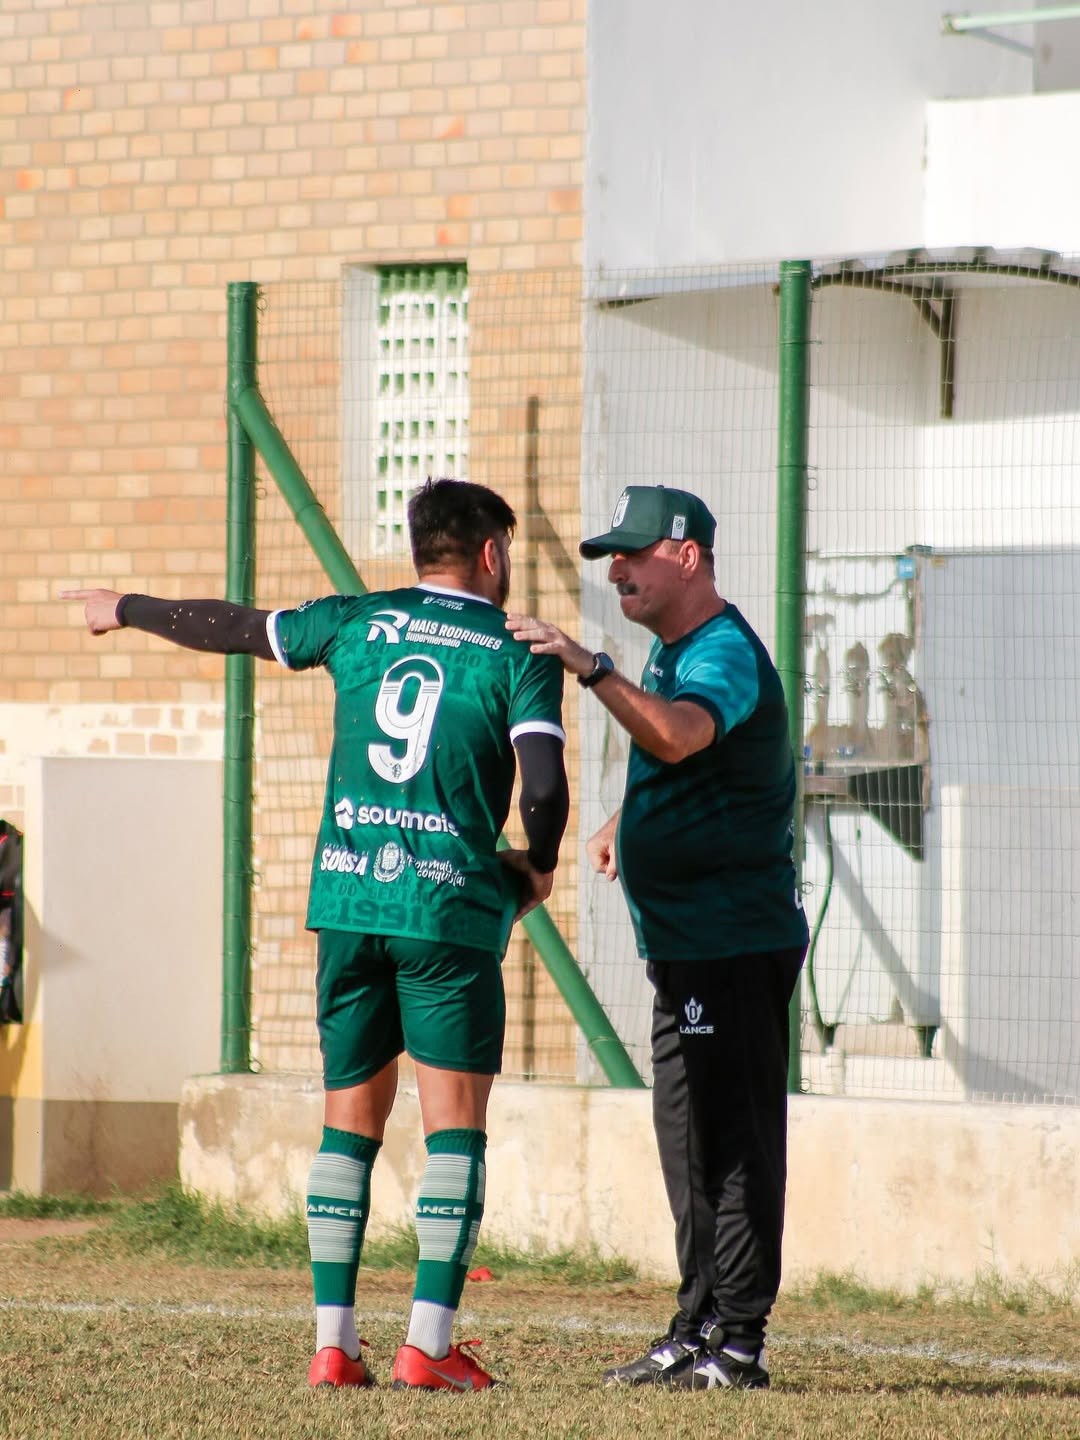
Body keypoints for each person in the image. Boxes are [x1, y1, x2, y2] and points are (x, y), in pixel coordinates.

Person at [65, 477, 569, 1393]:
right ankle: (428, 1346)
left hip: (345, 908)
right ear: (492, 554)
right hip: (445, 911)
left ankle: (334, 1345)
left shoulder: (355, 620)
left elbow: (234, 626)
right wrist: (536, 864)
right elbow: (541, 789)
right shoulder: (514, 647)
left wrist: (123, 607)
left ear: (421, 549)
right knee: (455, 1129)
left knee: (349, 1124)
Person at [506, 484, 808, 1392]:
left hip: (730, 942)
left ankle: (740, 1345)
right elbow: (679, 764)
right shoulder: (674, 652)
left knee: (733, 1144)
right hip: (683, 946)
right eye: (610, 557)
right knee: (687, 1144)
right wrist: (618, 824)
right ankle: (699, 1323)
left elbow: (681, 738)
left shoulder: (722, 653)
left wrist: (591, 665)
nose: (617, 569)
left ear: (686, 555)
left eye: (632, 554)